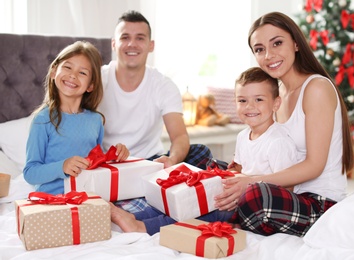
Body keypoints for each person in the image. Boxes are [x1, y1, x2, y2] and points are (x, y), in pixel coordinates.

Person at [110, 66, 298, 235]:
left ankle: (143, 227)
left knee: (200, 208)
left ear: (276, 103)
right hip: (234, 195)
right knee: (188, 193)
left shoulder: (278, 142)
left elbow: (286, 188)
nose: (250, 107)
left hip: (252, 205)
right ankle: (134, 216)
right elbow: (240, 170)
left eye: (259, 99)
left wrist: (243, 187)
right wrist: (227, 176)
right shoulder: (243, 136)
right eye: (242, 100)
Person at [214, 11, 354, 237]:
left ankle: (234, 214)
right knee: (202, 160)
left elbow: (314, 166)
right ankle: (231, 211)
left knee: (255, 197)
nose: (269, 55)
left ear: (296, 44)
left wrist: (249, 182)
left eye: (277, 43)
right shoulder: (276, 94)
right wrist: (239, 171)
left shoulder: (316, 88)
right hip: (287, 194)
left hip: (319, 203)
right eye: (259, 49)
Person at [99, 10, 214, 212]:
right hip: (109, 169)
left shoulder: (163, 85)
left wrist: (171, 160)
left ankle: (141, 203)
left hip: (149, 165)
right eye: (125, 37)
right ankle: (141, 206)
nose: (132, 44)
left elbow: (179, 136)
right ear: (114, 44)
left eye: (140, 38)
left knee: (200, 152)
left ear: (150, 45)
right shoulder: (97, 80)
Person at [23, 41, 129, 195]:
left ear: (90, 86)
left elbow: (97, 162)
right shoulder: (43, 119)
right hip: (53, 199)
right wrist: (62, 166)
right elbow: (30, 172)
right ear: (54, 72)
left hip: (88, 196)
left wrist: (116, 154)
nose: (73, 75)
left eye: (82, 73)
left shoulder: (96, 120)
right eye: (67, 67)